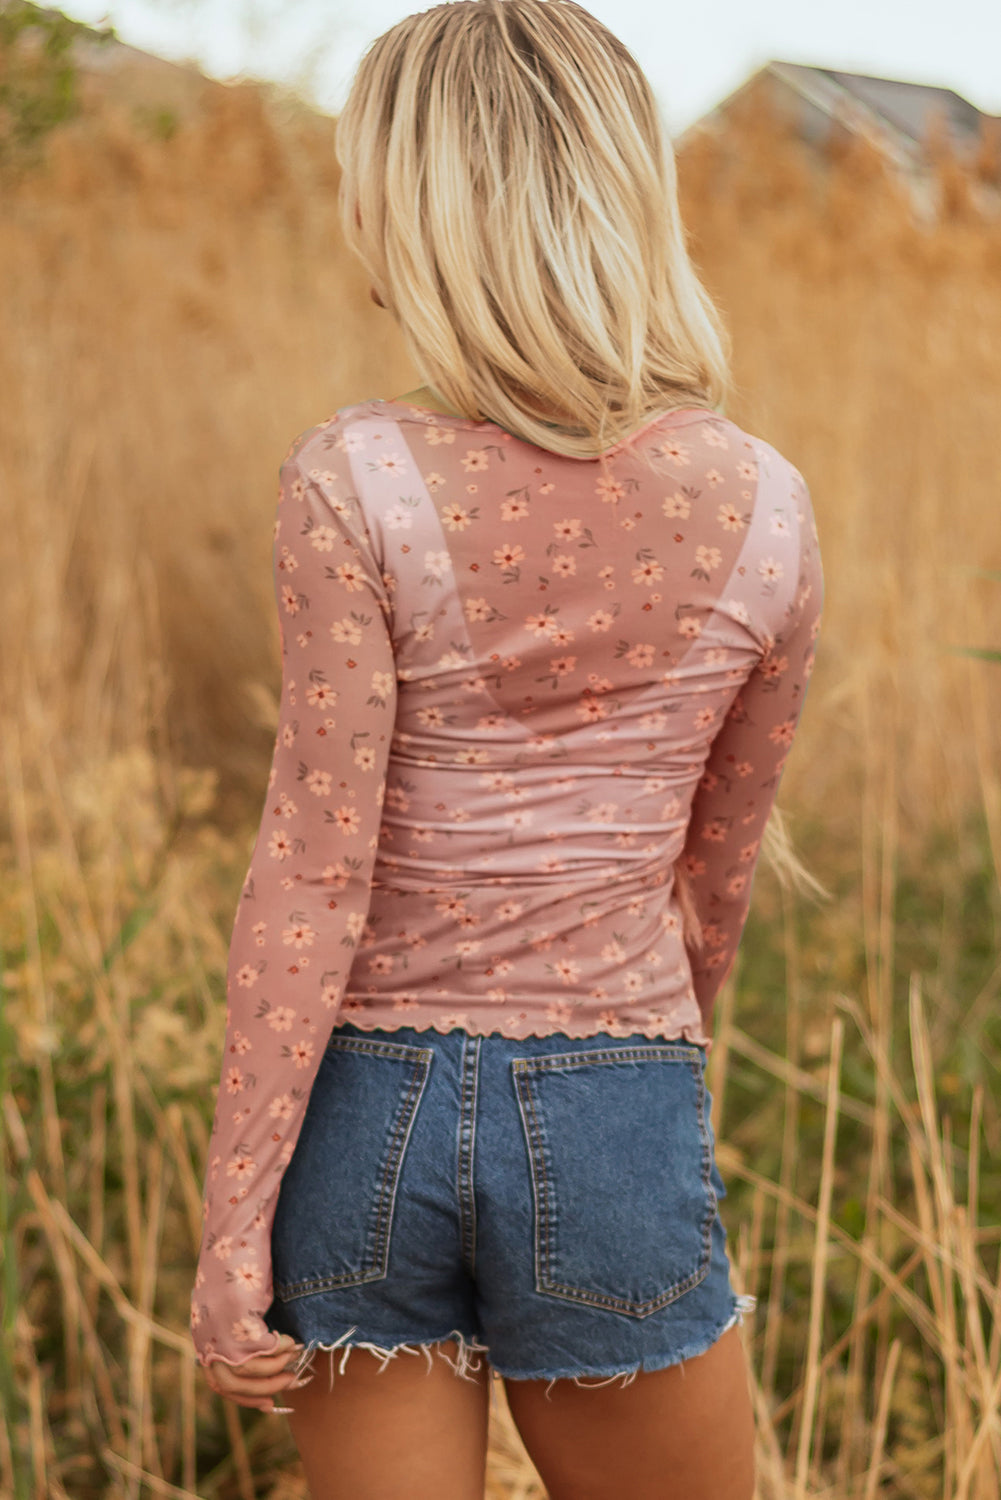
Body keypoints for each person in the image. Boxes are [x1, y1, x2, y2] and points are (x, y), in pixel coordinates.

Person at [189, 2, 824, 1496]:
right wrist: (627, 1101)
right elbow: (711, 887)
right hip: (610, 1094)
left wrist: (235, 1222)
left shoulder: (351, 480)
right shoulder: (765, 509)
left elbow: (308, 878)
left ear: (414, 208)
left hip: (362, 1117)